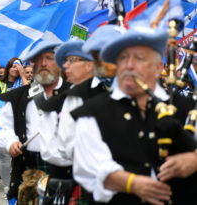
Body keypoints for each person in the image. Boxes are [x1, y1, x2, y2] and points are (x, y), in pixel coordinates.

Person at [72, 26, 197, 205]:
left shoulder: (187, 107)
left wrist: (194, 160)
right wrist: (132, 184)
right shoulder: (91, 113)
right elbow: (90, 168)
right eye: (123, 58)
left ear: (158, 68)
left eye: (139, 58)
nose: (129, 65)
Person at [0, 40, 71, 201]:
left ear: (59, 63)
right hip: (27, 166)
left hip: (66, 169)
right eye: (38, 59)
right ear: (33, 64)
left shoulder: (74, 94)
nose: (43, 63)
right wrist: (11, 142)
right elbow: (4, 128)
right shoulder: (18, 96)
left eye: (49, 58)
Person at [36, 38, 99, 204]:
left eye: (71, 61)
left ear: (89, 65)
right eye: (65, 61)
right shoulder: (65, 98)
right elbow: (54, 148)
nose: (65, 66)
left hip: (94, 179)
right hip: (67, 178)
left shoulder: (101, 96)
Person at [0, 57, 25, 194]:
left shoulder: (24, 82)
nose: (16, 69)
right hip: (2, 125)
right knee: (4, 157)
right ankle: (7, 187)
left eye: (18, 66)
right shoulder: (0, 83)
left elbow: (28, 93)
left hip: (19, 125)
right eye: (13, 66)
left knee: (18, 157)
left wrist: (23, 76)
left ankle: (17, 185)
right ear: (8, 68)